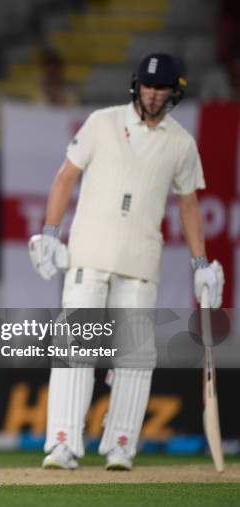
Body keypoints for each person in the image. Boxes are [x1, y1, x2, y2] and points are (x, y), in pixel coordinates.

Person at [28, 53, 224, 471]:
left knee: (134, 355)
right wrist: (49, 233)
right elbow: (65, 176)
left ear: (175, 91)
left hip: (140, 263)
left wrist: (200, 264)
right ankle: (63, 441)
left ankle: (121, 444)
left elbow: (189, 204)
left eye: (162, 88)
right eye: (149, 86)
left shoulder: (181, 142)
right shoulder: (102, 122)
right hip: (88, 254)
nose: (153, 94)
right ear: (137, 85)